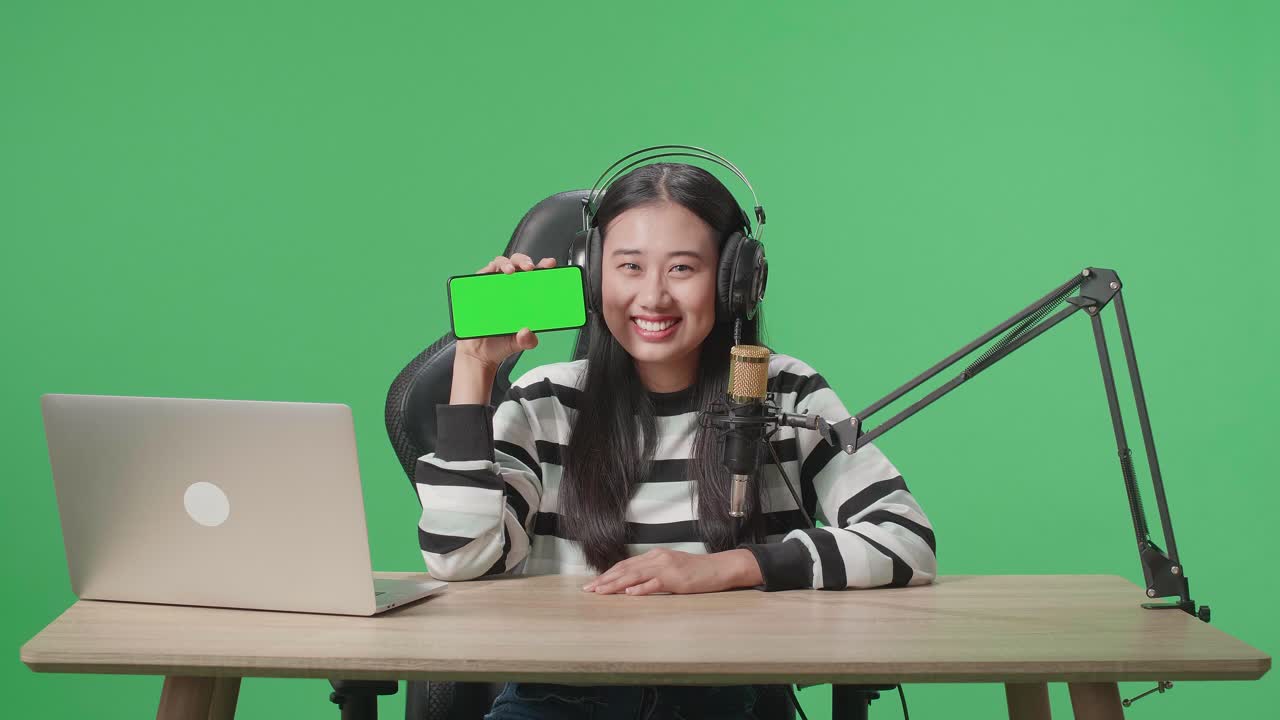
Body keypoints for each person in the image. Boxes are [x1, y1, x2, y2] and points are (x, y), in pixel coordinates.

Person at [414, 161, 938, 719]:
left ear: (735, 280)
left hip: (729, 700)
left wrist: (728, 568)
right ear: (593, 274)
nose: (654, 297)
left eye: (683, 268)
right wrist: (474, 366)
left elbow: (906, 538)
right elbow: (459, 557)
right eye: (629, 266)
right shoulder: (545, 400)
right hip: (558, 700)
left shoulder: (784, 392)